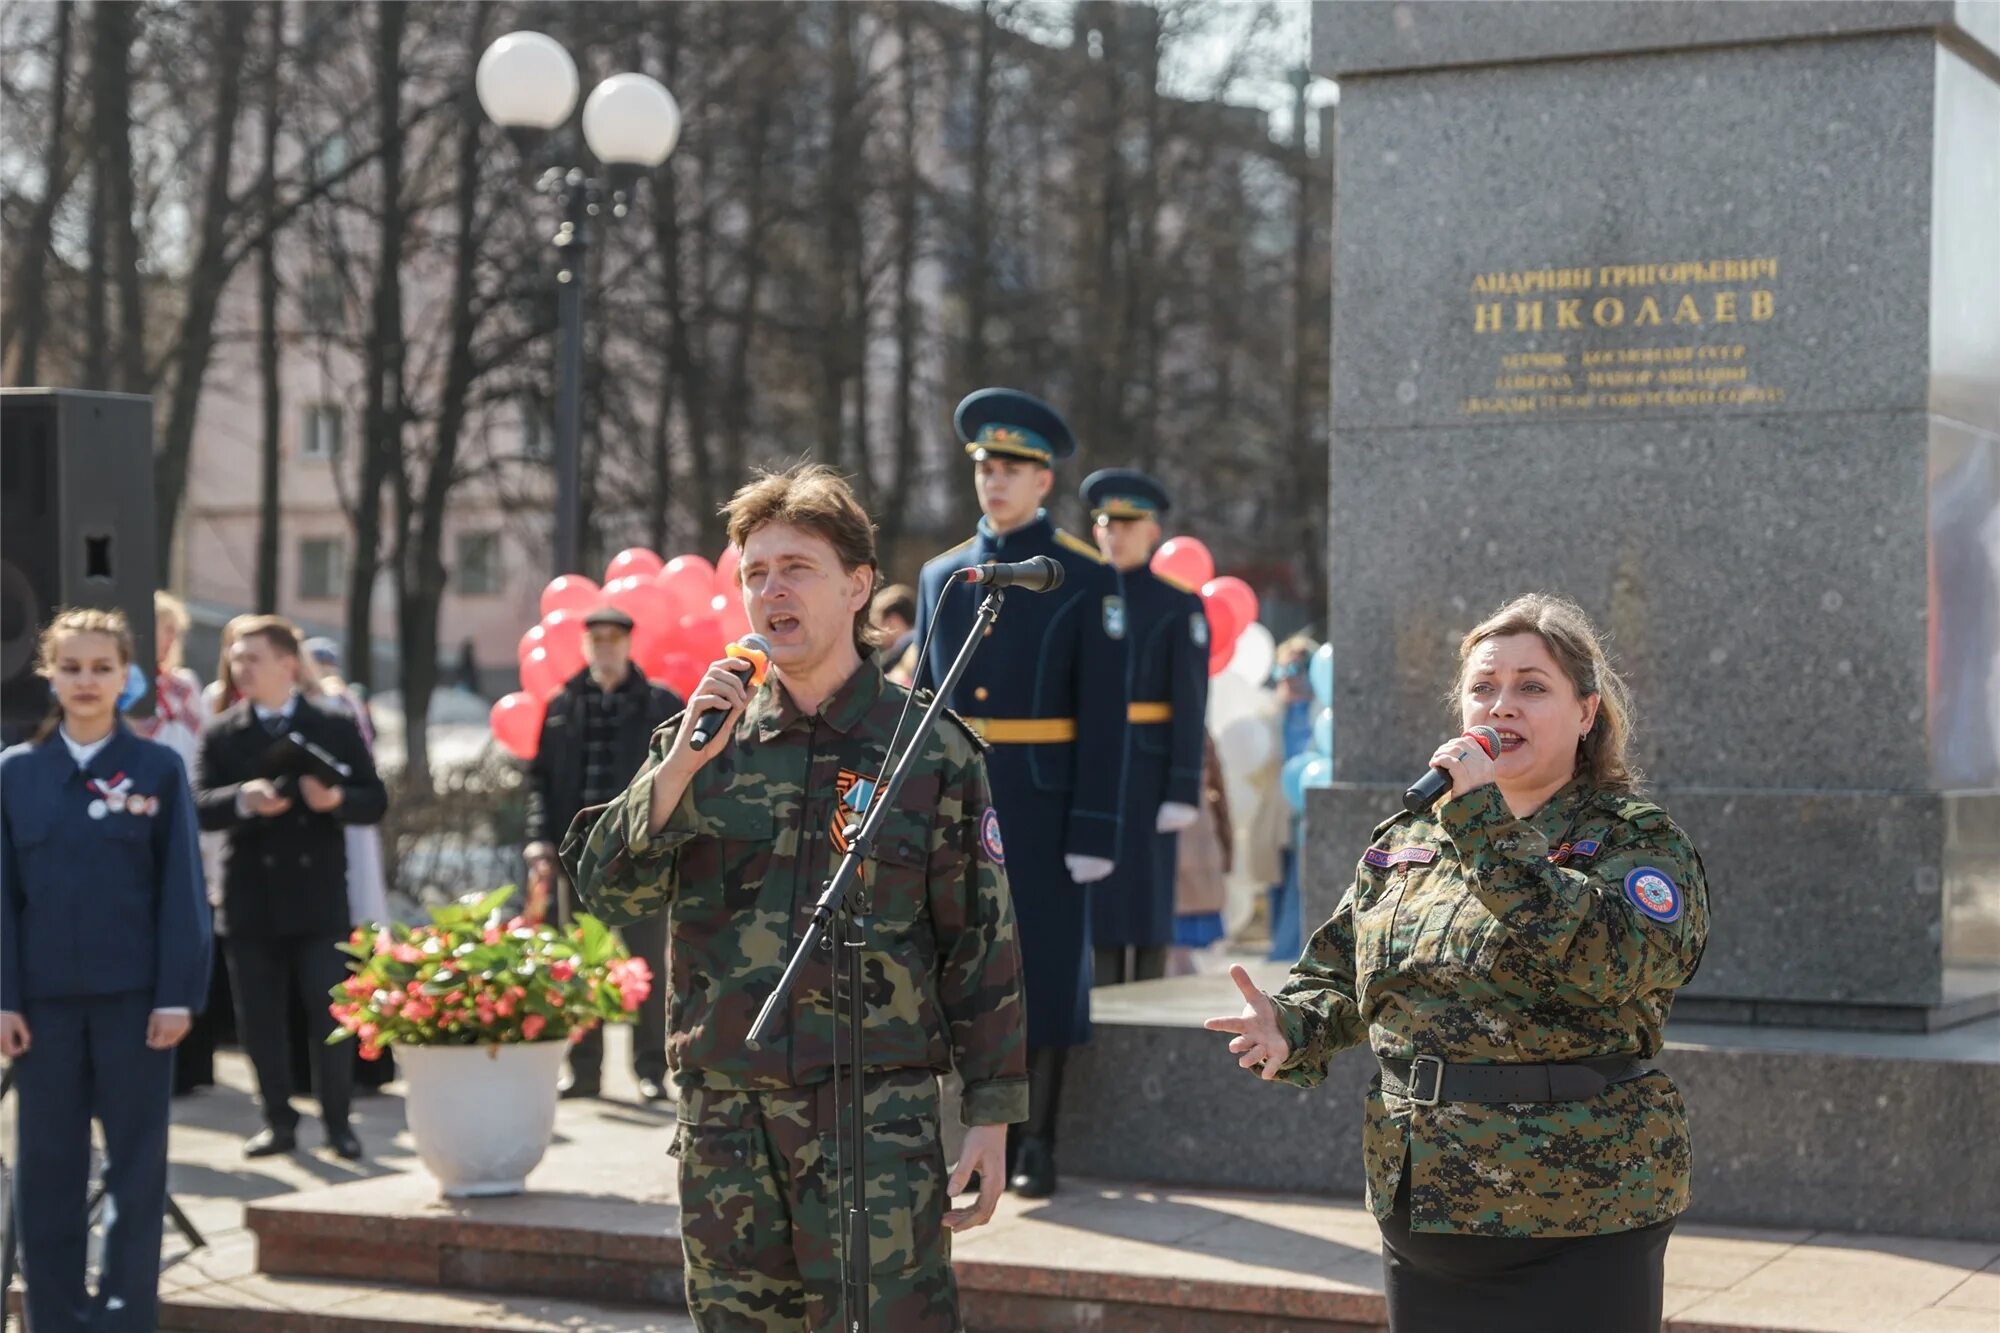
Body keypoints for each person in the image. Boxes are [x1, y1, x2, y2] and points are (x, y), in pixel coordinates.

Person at [563, 463, 1026, 1330]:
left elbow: (982, 946)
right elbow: (607, 892)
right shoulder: (701, 740)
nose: (771, 590)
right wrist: (679, 771)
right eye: (754, 573)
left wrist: (991, 1118)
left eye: (796, 568)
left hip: (873, 1122)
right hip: (726, 1122)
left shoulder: (926, 748)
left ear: (856, 586)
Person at [1206, 594, 1709, 1333]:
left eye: (1532, 687)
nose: (1502, 705)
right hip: (1428, 1206)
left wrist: (1480, 820)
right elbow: (1345, 972)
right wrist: (1290, 1025)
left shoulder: (1635, 839)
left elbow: (1611, 959)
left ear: (1586, 712)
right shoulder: (1414, 834)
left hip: (1579, 1206)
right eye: (1484, 687)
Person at [913, 388, 1129, 1198]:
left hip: (1044, 807)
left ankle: (1038, 1139)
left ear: (1044, 481)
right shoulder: (943, 575)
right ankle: (959, 1134)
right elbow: (927, 697)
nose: (994, 483)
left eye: (1011, 469)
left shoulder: (1082, 576)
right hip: (959, 801)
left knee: (1038, 968)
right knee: (953, 963)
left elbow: (1105, 716)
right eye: (985, 468)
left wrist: (1095, 828)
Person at [1, 607, 211, 1333]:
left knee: (136, 1166)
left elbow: (183, 892)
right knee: (47, 1170)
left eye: (101, 667)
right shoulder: (16, 773)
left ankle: (124, 1318)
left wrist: (178, 996)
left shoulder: (158, 768)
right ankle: (55, 1318)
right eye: (70, 666)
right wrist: (2, 999)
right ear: (48, 674)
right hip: (44, 1010)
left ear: (129, 676)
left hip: (135, 1006)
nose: (85, 681)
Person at [193, 616, 386, 1160]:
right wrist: (243, 800)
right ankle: (276, 1121)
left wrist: (336, 803)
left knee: (330, 1016)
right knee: (260, 1020)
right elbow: (199, 806)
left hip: (317, 896)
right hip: (250, 897)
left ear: (287, 664)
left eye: (252, 658)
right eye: (235, 658)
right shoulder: (222, 730)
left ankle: (338, 1123)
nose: (240, 668)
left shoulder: (332, 723)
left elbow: (375, 798)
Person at [523, 605, 684, 1101]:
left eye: (614, 638)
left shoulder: (659, 703)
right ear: (586, 645)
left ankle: (651, 1071)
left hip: (639, 853)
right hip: (578, 858)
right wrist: (539, 837)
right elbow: (541, 782)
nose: (605, 647)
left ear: (629, 644)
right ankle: (585, 1071)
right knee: (583, 964)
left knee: (645, 966)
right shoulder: (564, 704)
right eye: (597, 639)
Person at [1078, 469, 1209, 986]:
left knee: (1147, 896)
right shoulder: (1081, 594)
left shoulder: (1177, 604)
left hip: (1148, 767)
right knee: (1099, 899)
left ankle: (1147, 995)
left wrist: (1182, 785)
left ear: (1152, 531)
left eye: (1128, 524)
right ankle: (1103, 995)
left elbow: (1191, 700)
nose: (1116, 533)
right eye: (1108, 523)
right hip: (1092, 761)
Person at [134, 591, 223, 1094]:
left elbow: (202, 744)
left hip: (187, 813)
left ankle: (191, 1062)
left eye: (166, 629)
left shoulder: (187, 687)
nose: (159, 639)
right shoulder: (124, 691)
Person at [299, 637, 395, 1092]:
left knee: (359, 941)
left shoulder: (339, 708)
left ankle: (367, 1058)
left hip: (350, 836)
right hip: (324, 844)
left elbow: (366, 783)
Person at [1264, 633, 1318, 962]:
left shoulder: (1322, 714)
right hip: (1275, 812)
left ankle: (1288, 955)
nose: (1289, 680)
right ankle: (1279, 947)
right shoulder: (1271, 714)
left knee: (1300, 885)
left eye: (1297, 669)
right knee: (1276, 881)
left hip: (1308, 811)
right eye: (1282, 671)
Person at [1168, 732, 1233, 976]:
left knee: (1179, 945)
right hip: (1190, 837)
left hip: (1193, 835)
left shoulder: (1198, 736)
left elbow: (1219, 789)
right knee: (1177, 947)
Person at [871, 583, 918, 684]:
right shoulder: (923, 642)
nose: (875, 633)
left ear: (892, 621)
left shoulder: (908, 651)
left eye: (878, 623)